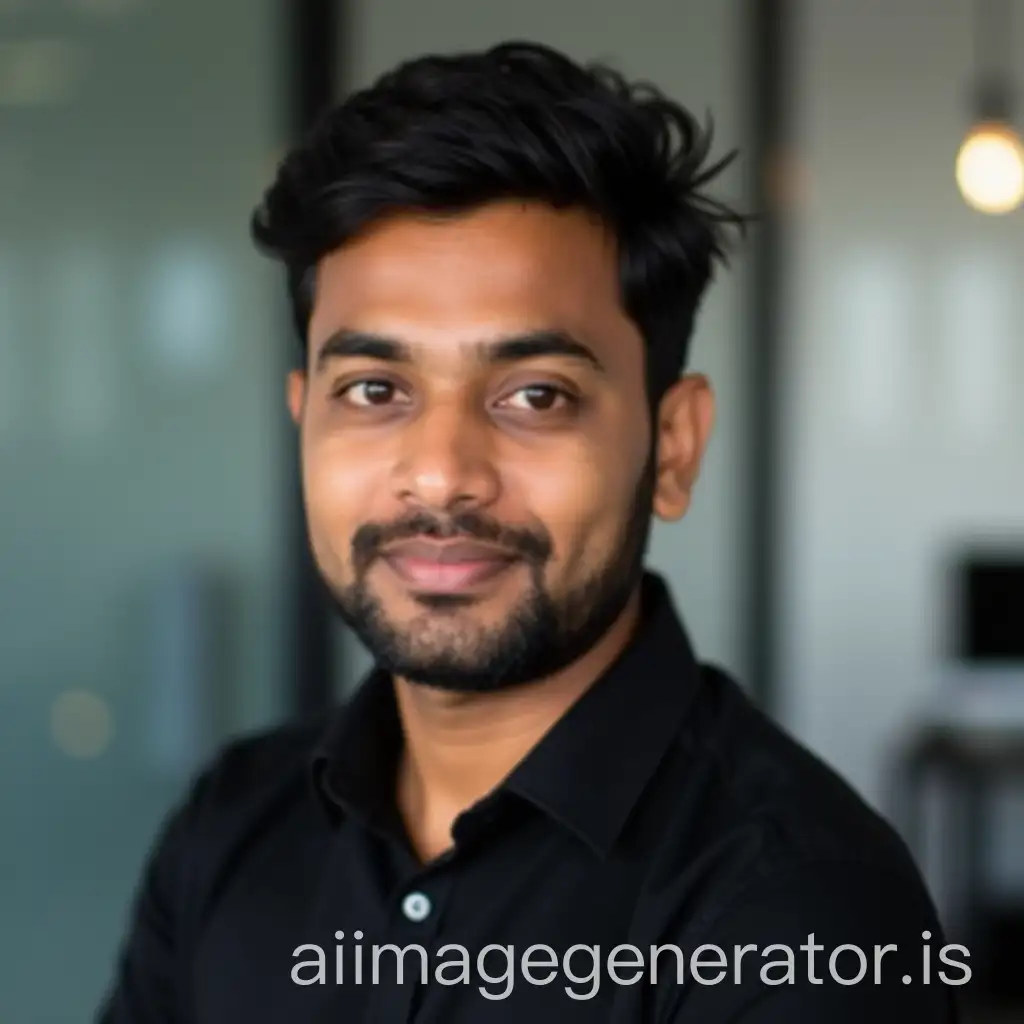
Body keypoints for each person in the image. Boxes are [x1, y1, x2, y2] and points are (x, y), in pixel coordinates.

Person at [98, 40, 961, 1022]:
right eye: (375, 389)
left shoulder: (802, 914)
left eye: (535, 394)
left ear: (671, 447)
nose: (441, 472)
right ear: (304, 418)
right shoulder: (233, 822)